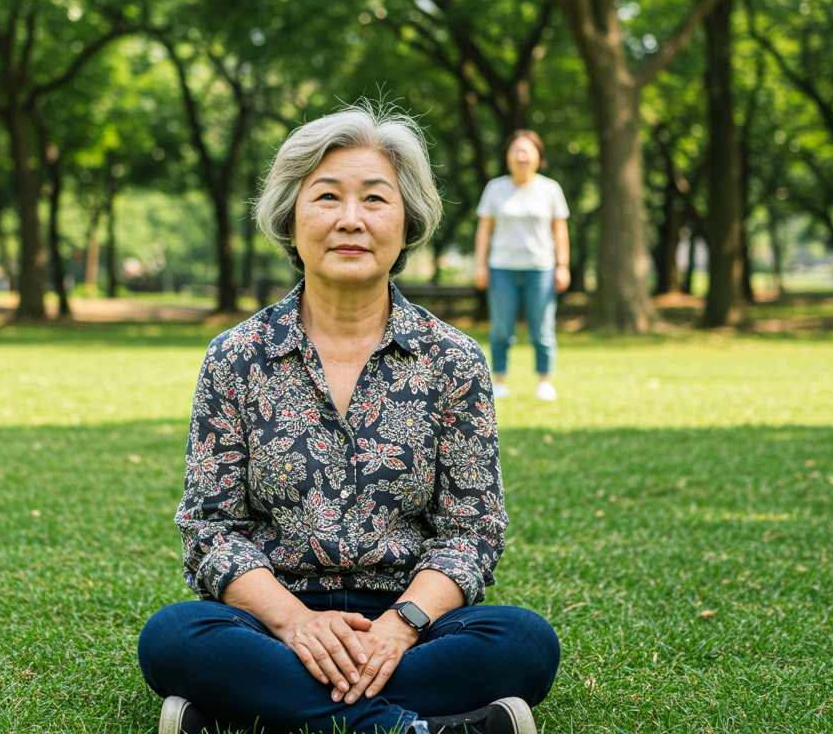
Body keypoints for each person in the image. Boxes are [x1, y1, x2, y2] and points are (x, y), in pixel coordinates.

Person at [137, 104, 559, 734]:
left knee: (525, 642)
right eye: (327, 197)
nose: (351, 220)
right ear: (291, 216)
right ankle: (406, 728)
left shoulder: (454, 361)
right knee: (174, 636)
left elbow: (473, 532)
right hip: (272, 620)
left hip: (412, 620)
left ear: (408, 220)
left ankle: (251, 713)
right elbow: (211, 529)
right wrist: (297, 623)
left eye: (375, 200)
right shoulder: (236, 356)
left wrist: (399, 626)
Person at [472, 130, 570, 402]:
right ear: (507, 157)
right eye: (517, 150)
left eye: (528, 150)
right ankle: (500, 379)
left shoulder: (550, 189)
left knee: (542, 329)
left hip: (541, 268)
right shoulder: (495, 188)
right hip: (501, 268)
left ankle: (544, 380)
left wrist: (562, 265)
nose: (522, 156)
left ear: (539, 156)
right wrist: (480, 265)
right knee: (501, 329)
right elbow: (484, 230)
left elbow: (560, 231)